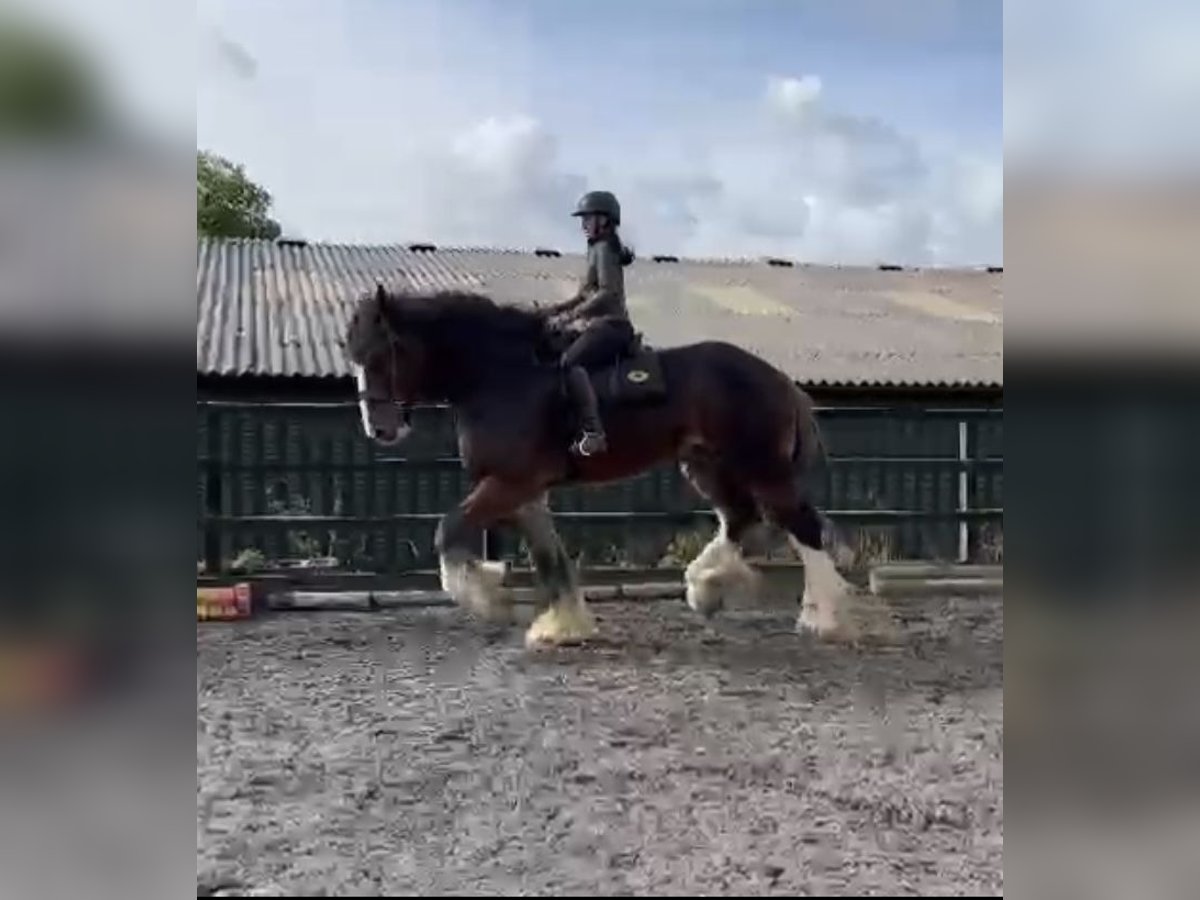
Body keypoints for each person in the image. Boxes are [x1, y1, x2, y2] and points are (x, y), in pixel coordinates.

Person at [545, 190, 637, 457]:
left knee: (569, 364)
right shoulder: (595, 249)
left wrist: (571, 317)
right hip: (597, 324)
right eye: (582, 219)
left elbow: (607, 294)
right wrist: (554, 311)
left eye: (588, 218)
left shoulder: (605, 248)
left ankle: (594, 433)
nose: (583, 224)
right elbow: (584, 295)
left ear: (605, 221)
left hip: (611, 326)